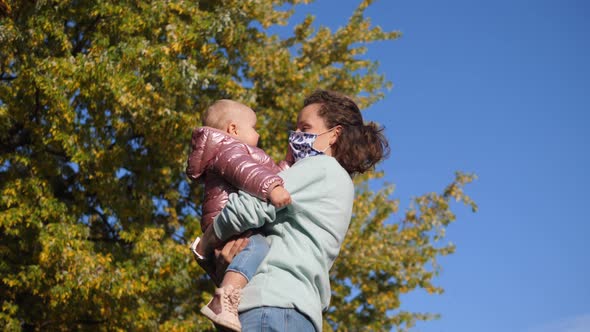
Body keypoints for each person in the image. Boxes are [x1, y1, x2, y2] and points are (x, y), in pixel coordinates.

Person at [195, 90, 389, 331]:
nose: (295, 136)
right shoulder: (336, 181)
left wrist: (205, 244)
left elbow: (252, 205)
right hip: (293, 310)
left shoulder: (322, 167)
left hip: (271, 305)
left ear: (334, 134)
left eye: (305, 129)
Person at [186, 99, 292, 331]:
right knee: (257, 246)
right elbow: (246, 171)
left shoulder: (231, 149)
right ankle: (223, 300)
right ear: (233, 129)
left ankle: (230, 302)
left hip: (226, 218)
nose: (258, 134)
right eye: (254, 128)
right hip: (225, 217)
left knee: (254, 249)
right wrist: (273, 188)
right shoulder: (229, 150)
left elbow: (264, 171)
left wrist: (288, 166)